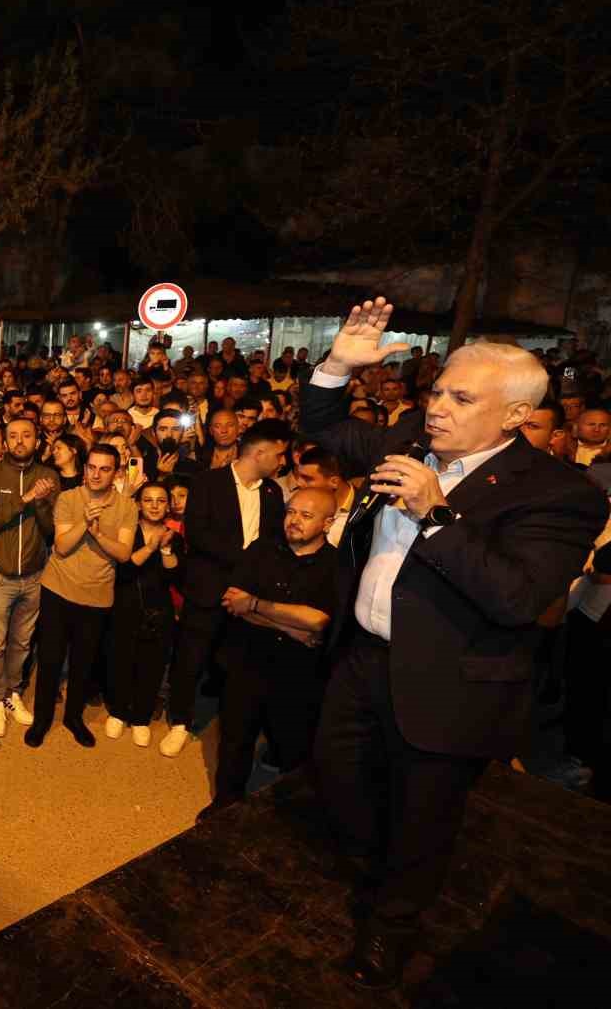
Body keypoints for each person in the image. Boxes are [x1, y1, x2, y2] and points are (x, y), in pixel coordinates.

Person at [302, 297, 607, 988]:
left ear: (515, 415)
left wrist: (434, 514)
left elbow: (517, 597)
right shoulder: (413, 439)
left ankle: (392, 927)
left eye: (461, 399)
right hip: (362, 659)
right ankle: (373, 872)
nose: (436, 408)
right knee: (337, 777)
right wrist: (337, 366)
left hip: (449, 682)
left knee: (424, 817)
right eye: (438, 390)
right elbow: (324, 427)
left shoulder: (560, 494)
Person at [198, 487, 338, 821]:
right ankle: (226, 804)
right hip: (247, 660)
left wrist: (256, 604)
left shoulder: (336, 565)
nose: (294, 520)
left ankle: (290, 815)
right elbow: (234, 603)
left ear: (328, 523)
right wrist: (290, 627)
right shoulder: (261, 549)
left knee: (293, 745)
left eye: (306, 515)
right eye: (291, 511)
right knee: (234, 739)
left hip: (298, 672)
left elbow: (318, 620)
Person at [162, 418, 290, 759]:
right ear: (259, 452)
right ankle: (179, 721)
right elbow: (198, 534)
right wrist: (246, 560)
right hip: (208, 588)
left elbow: (273, 542)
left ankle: (233, 726)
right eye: (279, 454)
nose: (283, 462)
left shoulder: (272, 492)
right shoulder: (208, 482)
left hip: (249, 595)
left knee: (239, 664)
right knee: (191, 660)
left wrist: (253, 578)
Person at [28, 443, 136, 749]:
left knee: (83, 662)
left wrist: (98, 533)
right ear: (85, 468)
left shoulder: (127, 506)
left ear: (116, 473)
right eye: (91, 467)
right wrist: (84, 522)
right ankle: (41, 719)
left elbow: (124, 554)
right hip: (58, 589)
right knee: (49, 659)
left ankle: (73, 718)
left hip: (97, 595)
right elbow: (62, 546)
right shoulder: (69, 498)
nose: (96, 474)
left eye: (105, 469)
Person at [0, 418, 57, 736]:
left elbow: (50, 531)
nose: (20, 441)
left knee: (22, 642)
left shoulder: (49, 477)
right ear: (5, 442)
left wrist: (42, 503)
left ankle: (12, 692)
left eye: (27, 435)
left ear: (38, 441)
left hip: (34, 575)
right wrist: (26, 498)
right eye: (13, 436)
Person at [105, 482, 180, 747]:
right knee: (121, 661)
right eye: (148, 500)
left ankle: (140, 718)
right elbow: (124, 570)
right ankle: (117, 712)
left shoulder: (174, 536)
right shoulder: (127, 532)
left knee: (152, 665)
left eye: (161, 500)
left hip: (159, 611)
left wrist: (165, 549)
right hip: (125, 606)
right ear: (138, 504)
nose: (155, 506)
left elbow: (175, 577)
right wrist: (149, 547)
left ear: (168, 506)